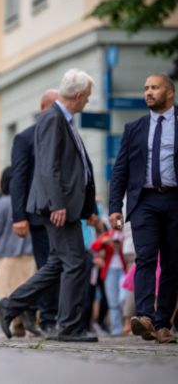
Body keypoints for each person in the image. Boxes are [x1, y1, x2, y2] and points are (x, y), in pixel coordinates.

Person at [0, 69, 100, 343]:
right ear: (78, 96)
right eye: (87, 96)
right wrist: (57, 203)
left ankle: (10, 306)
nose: (88, 101)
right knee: (77, 262)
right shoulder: (54, 119)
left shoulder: (62, 119)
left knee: (57, 264)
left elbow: (77, 167)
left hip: (64, 205)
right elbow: (48, 166)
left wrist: (88, 208)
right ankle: (69, 326)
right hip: (58, 206)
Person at [108, 74, 177, 344]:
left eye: (154, 88)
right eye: (146, 87)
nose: (148, 92)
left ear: (169, 93)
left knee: (172, 265)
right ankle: (146, 317)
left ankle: (163, 324)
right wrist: (115, 207)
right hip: (144, 202)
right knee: (145, 258)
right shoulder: (134, 128)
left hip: (174, 200)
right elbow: (120, 170)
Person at [10, 89, 58, 334]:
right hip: (37, 216)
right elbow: (18, 179)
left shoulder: (65, 134)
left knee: (58, 266)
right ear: (44, 108)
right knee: (49, 266)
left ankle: (29, 307)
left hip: (63, 215)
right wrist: (19, 216)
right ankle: (46, 318)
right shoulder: (25, 138)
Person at [0, 168, 39, 337]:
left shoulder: (1, 204)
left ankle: (9, 327)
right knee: (28, 292)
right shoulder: (28, 199)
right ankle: (28, 326)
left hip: (6, 255)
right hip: (29, 252)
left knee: (6, 292)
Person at [89, 229, 128, 335]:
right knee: (112, 301)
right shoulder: (108, 234)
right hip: (109, 270)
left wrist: (122, 243)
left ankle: (123, 324)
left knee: (123, 297)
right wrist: (103, 241)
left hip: (124, 270)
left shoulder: (126, 232)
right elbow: (93, 247)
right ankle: (116, 330)